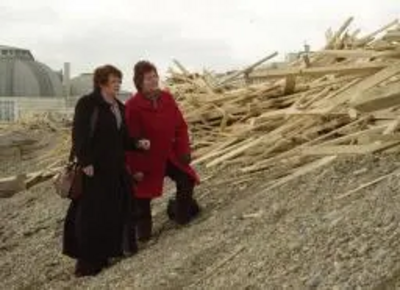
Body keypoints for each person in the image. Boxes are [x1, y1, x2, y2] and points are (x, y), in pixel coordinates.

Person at [62, 64, 150, 277]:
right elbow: (79, 135)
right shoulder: (88, 104)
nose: (118, 85)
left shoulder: (119, 107)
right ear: (101, 83)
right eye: (114, 82)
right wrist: (86, 162)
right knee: (91, 216)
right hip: (94, 171)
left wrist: (137, 143)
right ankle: (88, 263)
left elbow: (122, 138)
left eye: (119, 81)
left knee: (116, 211)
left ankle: (110, 252)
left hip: (115, 170)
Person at [125, 60, 200, 243]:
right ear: (139, 82)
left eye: (154, 76)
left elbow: (180, 126)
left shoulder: (167, 98)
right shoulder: (132, 106)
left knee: (186, 179)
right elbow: (130, 139)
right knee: (142, 198)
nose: (153, 80)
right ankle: (142, 236)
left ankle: (182, 218)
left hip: (168, 154)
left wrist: (183, 150)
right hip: (145, 159)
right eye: (148, 78)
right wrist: (135, 169)